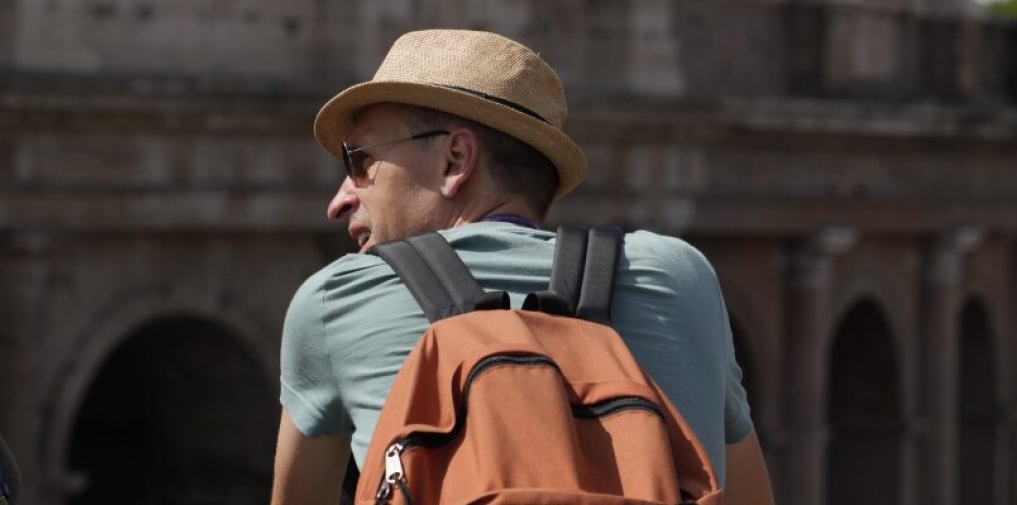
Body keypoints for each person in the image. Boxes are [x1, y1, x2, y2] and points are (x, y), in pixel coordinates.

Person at [271, 29, 774, 505]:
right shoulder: (680, 276)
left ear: (456, 159)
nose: (340, 201)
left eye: (360, 162)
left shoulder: (335, 299)